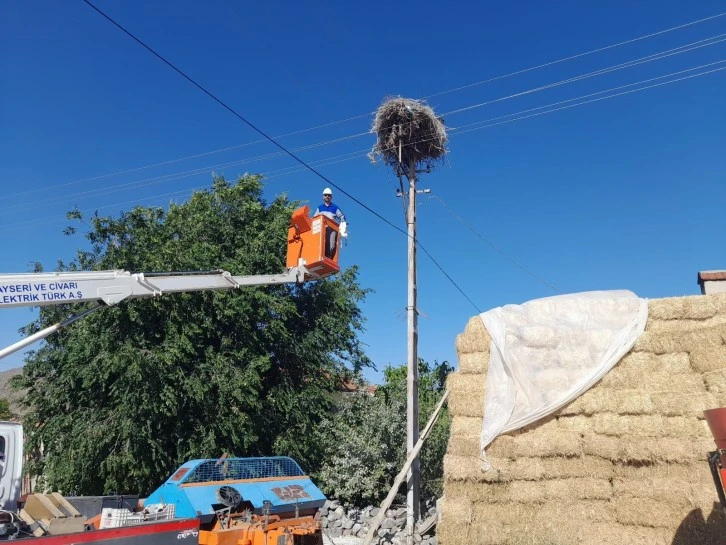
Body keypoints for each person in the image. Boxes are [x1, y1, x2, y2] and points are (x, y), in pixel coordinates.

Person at [314, 188, 346, 259]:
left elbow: (341, 216)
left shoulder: (335, 207)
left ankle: (328, 258)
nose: (327, 196)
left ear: (331, 197)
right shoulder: (320, 208)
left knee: (331, 245)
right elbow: (314, 218)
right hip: (322, 228)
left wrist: (343, 223)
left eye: (329, 195)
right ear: (323, 196)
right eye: (326, 195)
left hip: (332, 229)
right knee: (321, 243)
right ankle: (321, 256)